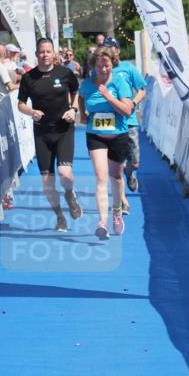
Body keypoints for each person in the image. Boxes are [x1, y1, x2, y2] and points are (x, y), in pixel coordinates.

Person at [17, 37, 81, 232]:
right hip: (42, 133)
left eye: (48, 51)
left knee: (64, 173)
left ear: (54, 54)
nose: (45, 55)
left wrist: (73, 109)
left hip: (63, 130)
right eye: (41, 52)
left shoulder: (65, 73)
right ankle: (60, 217)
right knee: (47, 183)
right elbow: (20, 104)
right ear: (36, 55)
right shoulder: (29, 78)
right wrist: (31, 112)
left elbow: (76, 92)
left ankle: (70, 194)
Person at [77, 48, 134, 239]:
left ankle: (117, 212)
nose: (103, 69)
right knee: (101, 177)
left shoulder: (120, 83)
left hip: (118, 135)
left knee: (116, 176)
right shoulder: (87, 84)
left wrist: (109, 97)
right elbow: (81, 96)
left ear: (113, 64)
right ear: (94, 65)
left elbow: (127, 111)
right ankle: (102, 222)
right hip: (96, 135)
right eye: (99, 65)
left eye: (107, 65)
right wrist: (83, 115)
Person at [105, 39, 146, 204]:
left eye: (113, 48)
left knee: (134, 162)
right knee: (116, 164)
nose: (110, 51)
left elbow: (142, 90)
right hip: (110, 124)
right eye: (107, 49)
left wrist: (133, 103)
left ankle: (130, 174)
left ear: (118, 50)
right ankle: (121, 200)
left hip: (129, 122)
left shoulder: (128, 68)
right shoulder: (101, 69)